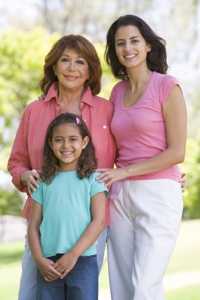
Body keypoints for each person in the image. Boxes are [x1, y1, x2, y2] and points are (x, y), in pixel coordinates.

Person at [7, 35, 116, 300]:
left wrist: (165, 174)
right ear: (54, 66)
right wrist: (24, 174)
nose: (71, 67)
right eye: (64, 60)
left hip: (91, 224)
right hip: (44, 223)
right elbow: (16, 161)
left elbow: (129, 155)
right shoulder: (35, 110)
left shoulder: (107, 110)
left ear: (90, 70)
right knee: (31, 293)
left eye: (80, 62)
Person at [98, 15, 187, 300]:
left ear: (148, 45)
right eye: (120, 43)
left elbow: (177, 152)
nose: (128, 48)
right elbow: (112, 146)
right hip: (121, 195)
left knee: (145, 284)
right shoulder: (117, 91)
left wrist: (125, 172)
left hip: (158, 192)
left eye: (134, 41)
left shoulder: (167, 87)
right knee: (122, 285)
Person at [28, 113, 107, 300]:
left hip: (82, 259)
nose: (66, 146)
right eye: (59, 140)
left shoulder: (94, 179)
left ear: (84, 142)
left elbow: (99, 221)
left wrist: (73, 254)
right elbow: (33, 226)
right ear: (50, 142)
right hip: (48, 263)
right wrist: (39, 260)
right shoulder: (43, 181)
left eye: (73, 139)